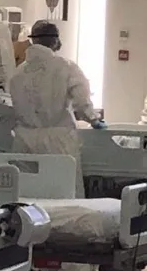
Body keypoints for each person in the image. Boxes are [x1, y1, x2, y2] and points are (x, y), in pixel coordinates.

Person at [9, 20, 105, 198]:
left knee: (25, 195)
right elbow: (82, 103)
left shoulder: (17, 73)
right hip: (57, 142)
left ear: (32, 40)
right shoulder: (66, 67)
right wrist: (94, 119)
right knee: (64, 195)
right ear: (55, 41)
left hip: (24, 141)